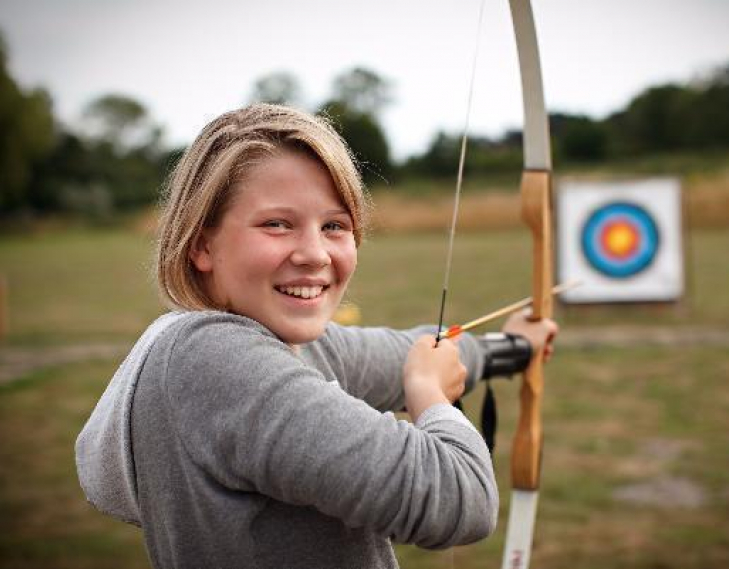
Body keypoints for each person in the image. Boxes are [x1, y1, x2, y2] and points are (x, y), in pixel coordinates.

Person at [75, 104, 558, 569]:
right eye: (277, 224)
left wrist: (510, 347)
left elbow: (408, 352)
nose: (315, 254)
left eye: (334, 226)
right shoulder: (218, 363)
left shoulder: (267, 344)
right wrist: (430, 394)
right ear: (202, 245)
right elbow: (461, 498)